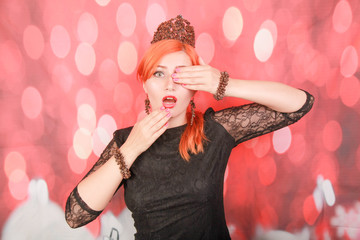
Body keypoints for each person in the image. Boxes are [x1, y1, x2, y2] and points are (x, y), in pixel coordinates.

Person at [65, 15, 314, 239]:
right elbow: (75, 215)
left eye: (180, 76)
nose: (169, 86)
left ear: (194, 86)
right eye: (159, 74)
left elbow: (300, 104)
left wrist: (224, 84)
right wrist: (131, 149)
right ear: (144, 84)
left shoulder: (215, 131)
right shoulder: (125, 141)